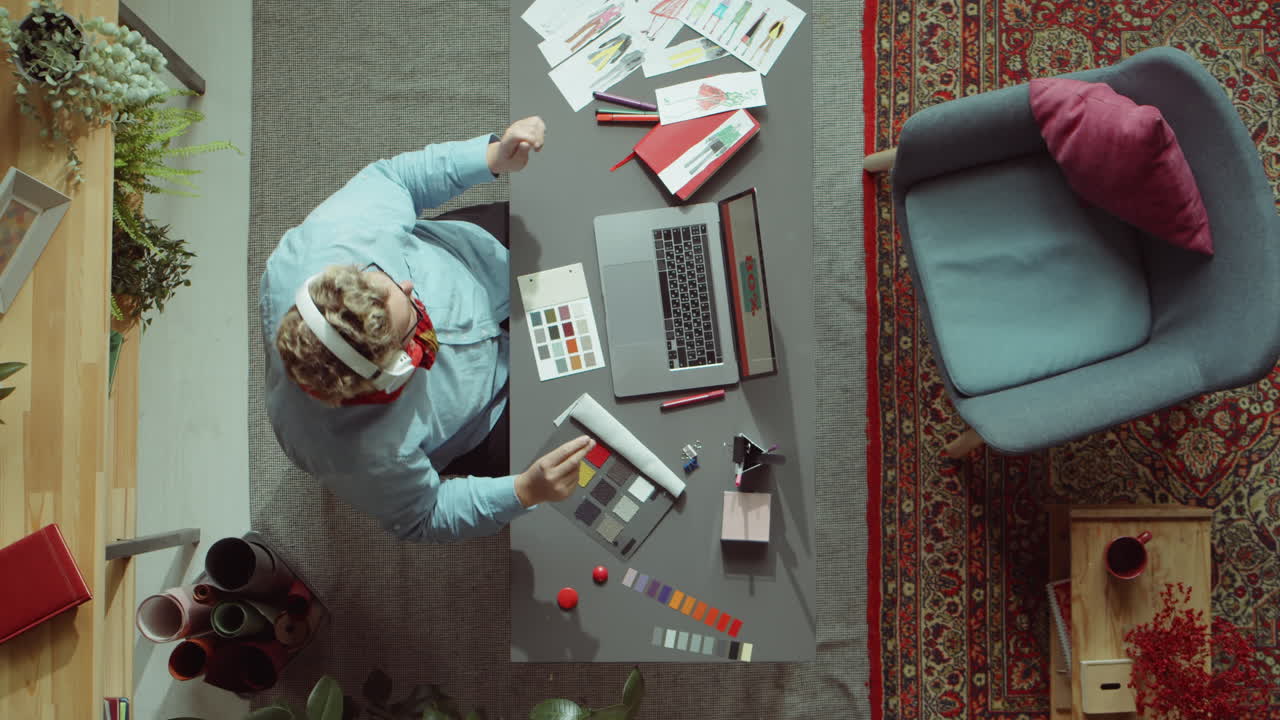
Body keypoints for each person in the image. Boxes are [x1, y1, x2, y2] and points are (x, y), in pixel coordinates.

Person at [259, 116, 595, 543]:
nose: (409, 286)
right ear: (392, 368)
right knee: (589, 429)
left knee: (589, 225)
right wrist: (526, 490)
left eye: (389, 282)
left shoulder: (334, 239)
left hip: (480, 258)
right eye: (411, 315)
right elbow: (423, 517)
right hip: (486, 413)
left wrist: (492, 156)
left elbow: (397, 180)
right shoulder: (362, 457)